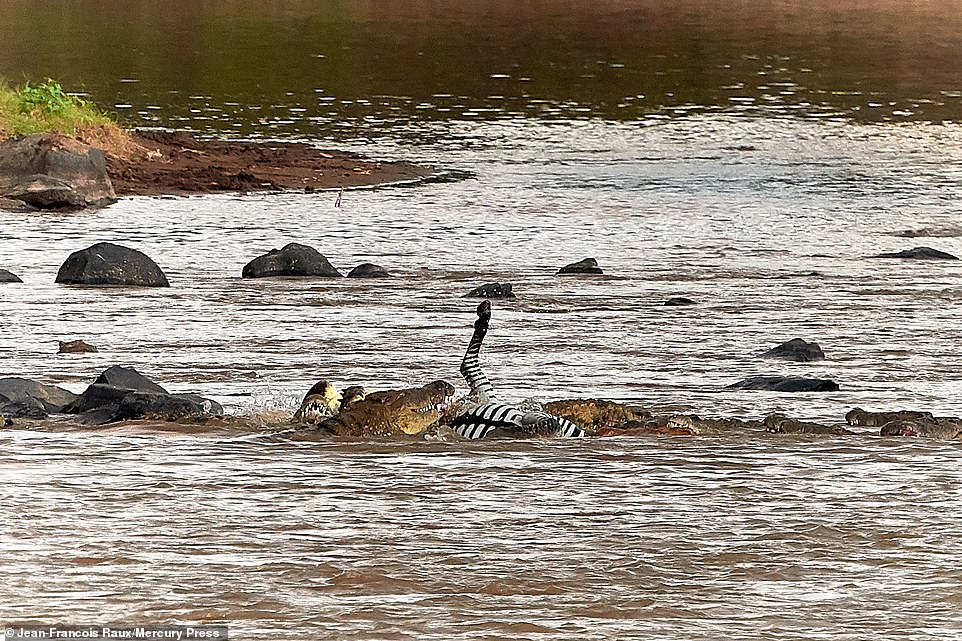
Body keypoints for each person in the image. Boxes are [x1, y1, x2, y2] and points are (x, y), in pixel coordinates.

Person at [444, 301, 586, 438]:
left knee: (545, 424)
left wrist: (480, 331)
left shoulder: (481, 403)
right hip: (511, 427)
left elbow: (468, 366)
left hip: (509, 430)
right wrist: (480, 330)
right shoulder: (484, 401)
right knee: (544, 423)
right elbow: (468, 366)